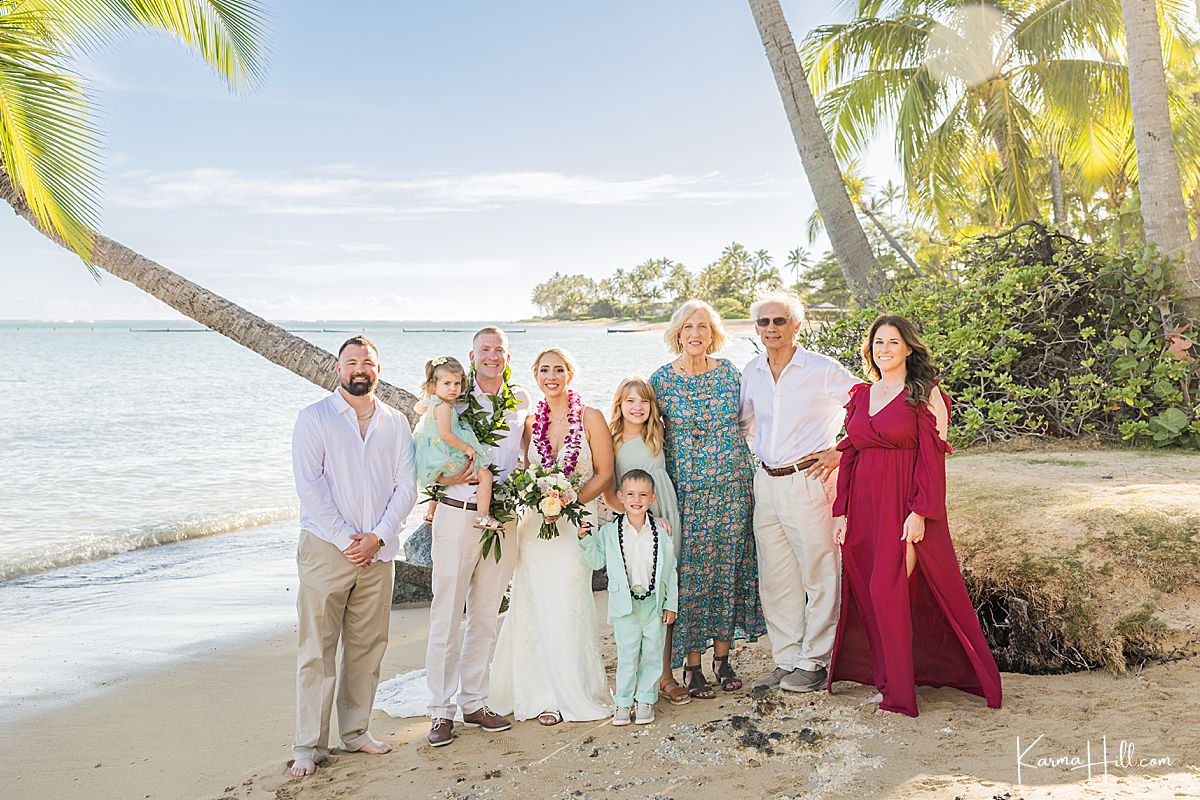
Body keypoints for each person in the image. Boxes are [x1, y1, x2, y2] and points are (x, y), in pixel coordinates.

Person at [829, 315, 1003, 717]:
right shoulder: (861, 394)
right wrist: (841, 511)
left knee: (886, 591)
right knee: (870, 596)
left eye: (893, 342)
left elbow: (931, 460)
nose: (884, 350)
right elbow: (850, 454)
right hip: (863, 507)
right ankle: (888, 682)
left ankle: (901, 697)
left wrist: (920, 512)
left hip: (903, 503)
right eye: (878, 343)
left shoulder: (924, 393)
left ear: (908, 348)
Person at [289, 335, 417, 776]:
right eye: (351, 362)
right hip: (327, 548)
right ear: (338, 368)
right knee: (317, 649)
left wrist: (378, 537)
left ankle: (356, 732)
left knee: (366, 647)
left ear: (377, 370)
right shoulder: (315, 418)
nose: (360, 368)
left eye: (367, 361)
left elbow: (406, 487)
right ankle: (308, 745)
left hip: (378, 553)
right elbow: (311, 485)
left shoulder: (396, 421)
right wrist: (347, 539)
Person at [738, 291, 857, 694]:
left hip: (808, 481)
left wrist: (839, 450)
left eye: (780, 321)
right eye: (763, 322)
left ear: (797, 326)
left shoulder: (823, 369)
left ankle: (815, 661)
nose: (771, 328)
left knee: (820, 572)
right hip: (766, 483)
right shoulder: (752, 371)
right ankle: (787, 658)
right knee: (775, 577)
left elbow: (867, 406)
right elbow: (744, 424)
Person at [488, 348, 615, 725]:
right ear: (536, 376)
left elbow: (605, 473)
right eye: (544, 370)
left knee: (569, 600)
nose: (551, 376)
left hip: (576, 522)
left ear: (570, 374)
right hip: (535, 527)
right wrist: (535, 498)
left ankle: (572, 690)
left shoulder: (591, 417)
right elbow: (525, 469)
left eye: (559, 369)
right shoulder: (531, 422)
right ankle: (540, 693)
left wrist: (571, 500)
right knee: (533, 602)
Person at [650, 300, 765, 700]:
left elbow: (751, 420)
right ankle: (692, 665)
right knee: (693, 574)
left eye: (703, 326)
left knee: (729, 567)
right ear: (677, 334)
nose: (696, 333)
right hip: (687, 490)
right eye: (688, 326)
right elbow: (643, 429)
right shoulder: (661, 380)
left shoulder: (730, 374)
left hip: (733, 486)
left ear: (712, 333)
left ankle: (724, 659)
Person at [425, 327, 532, 747]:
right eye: (484, 349)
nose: (492, 356)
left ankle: (475, 702)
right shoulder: (453, 399)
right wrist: (450, 477)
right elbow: (424, 455)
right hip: (455, 516)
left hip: (503, 518)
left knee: (486, 615)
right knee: (446, 615)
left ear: (507, 356)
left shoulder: (520, 400)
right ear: (472, 356)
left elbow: (526, 452)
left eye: (499, 350)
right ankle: (439, 710)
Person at [603, 376, 689, 706]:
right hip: (635, 525)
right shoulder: (613, 441)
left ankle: (664, 676)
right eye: (630, 401)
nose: (637, 407)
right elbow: (610, 493)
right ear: (619, 406)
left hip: (666, 517)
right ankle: (636, 679)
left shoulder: (659, 435)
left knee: (662, 596)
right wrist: (638, 518)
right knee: (635, 598)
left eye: (644, 401)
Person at [580, 469, 678, 726]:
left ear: (652, 498)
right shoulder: (610, 532)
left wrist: (671, 603)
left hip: (653, 602)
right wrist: (585, 540)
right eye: (631, 494)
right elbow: (597, 561)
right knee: (626, 654)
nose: (637, 499)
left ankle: (645, 699)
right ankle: (623, 702)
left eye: (643, 495)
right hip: (625, 604)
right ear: (620, 497)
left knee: (653, 653)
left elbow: (671, 570)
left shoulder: (660, 532)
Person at [413, 356, 502, 532]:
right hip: (446, 453)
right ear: (433, 385)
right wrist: (467, 448)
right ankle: (483, 516)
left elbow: (418, 408)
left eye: (457, 383)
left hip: (436, 456)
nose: (453, 388)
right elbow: (446, 434)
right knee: (485, 475)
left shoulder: (434, 402)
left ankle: (431, 511)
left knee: (445, 476)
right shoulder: (444, 407)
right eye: (447, 384)